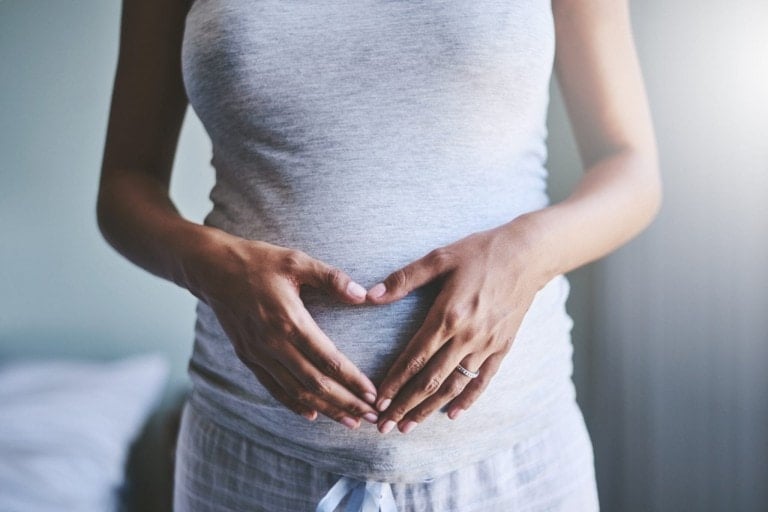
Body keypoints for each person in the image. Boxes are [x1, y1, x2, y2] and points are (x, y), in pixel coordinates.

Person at [98, 0, 661, 510]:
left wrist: (526, 253)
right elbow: (125, 184)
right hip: (253, 455)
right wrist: (211, 265)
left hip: (511, 461)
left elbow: (630, 168)